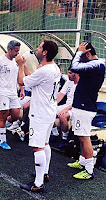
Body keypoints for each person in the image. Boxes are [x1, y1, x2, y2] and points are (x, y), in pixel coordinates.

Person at [17, 40, 60, 193]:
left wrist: (20, 65)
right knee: (45, 143)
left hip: (40, 114)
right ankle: (45, 173)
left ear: (45, 52)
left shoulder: (45, 70)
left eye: (40, 47)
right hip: (49, 112)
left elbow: (21, 81)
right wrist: (24, 66)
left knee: (37, 147)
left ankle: (38, 183)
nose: (37, 48)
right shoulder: (54, 68)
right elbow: (34, 78)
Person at [67, 42, 105, 180]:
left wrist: (79, 52)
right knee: (81, 136)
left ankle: (89, 170)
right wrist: (80, 52)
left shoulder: (97, 64)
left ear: (87, 54)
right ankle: (82, 161)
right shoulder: (96, 64)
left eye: (82, 56)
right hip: (81, 106)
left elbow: (74, 67)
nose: (80, 60)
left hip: (85, 107)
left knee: (84, 137)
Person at [0, 40, 24, 150]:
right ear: (9, 49)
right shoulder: (0, 61)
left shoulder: (16, 62)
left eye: (18, 51)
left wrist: (22, 89)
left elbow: (18, 76)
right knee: (4, 115)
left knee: (15, 115)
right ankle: (3, 141)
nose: (17, 53)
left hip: (13, 92)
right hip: (2, 92)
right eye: (16, 50)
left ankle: (0, 129)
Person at [50, 70, 79, 148]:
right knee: (48, 111)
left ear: (76, 74)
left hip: (76, 108)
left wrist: (65, 109)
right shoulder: (69, 82)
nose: (68, 75)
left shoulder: (82, 84)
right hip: (66, 106)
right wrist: (53, 104)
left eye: (70, 73)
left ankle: (64, 139)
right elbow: (61, 95)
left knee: (62, 116)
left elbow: (78, 102)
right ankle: (55, 134)